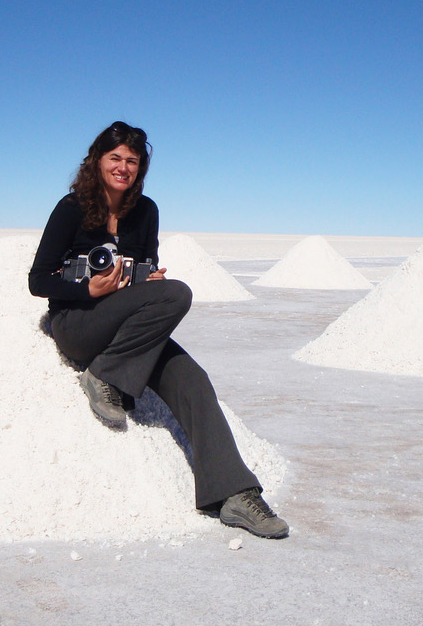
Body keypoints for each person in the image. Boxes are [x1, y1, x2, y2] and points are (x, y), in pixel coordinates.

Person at [28, 121, 289, 539]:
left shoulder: (145, 211)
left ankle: (235, 494)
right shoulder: (71, 208)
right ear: (96, 161)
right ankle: (102, 376)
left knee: (193, 380)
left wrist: (147, 281)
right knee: (177, 294)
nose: (123, 167)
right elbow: (38, 280)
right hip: (77, 324)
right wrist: (87, 288)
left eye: (132, 161)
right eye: (115, 158)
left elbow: (145, 267)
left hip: (126, 326)